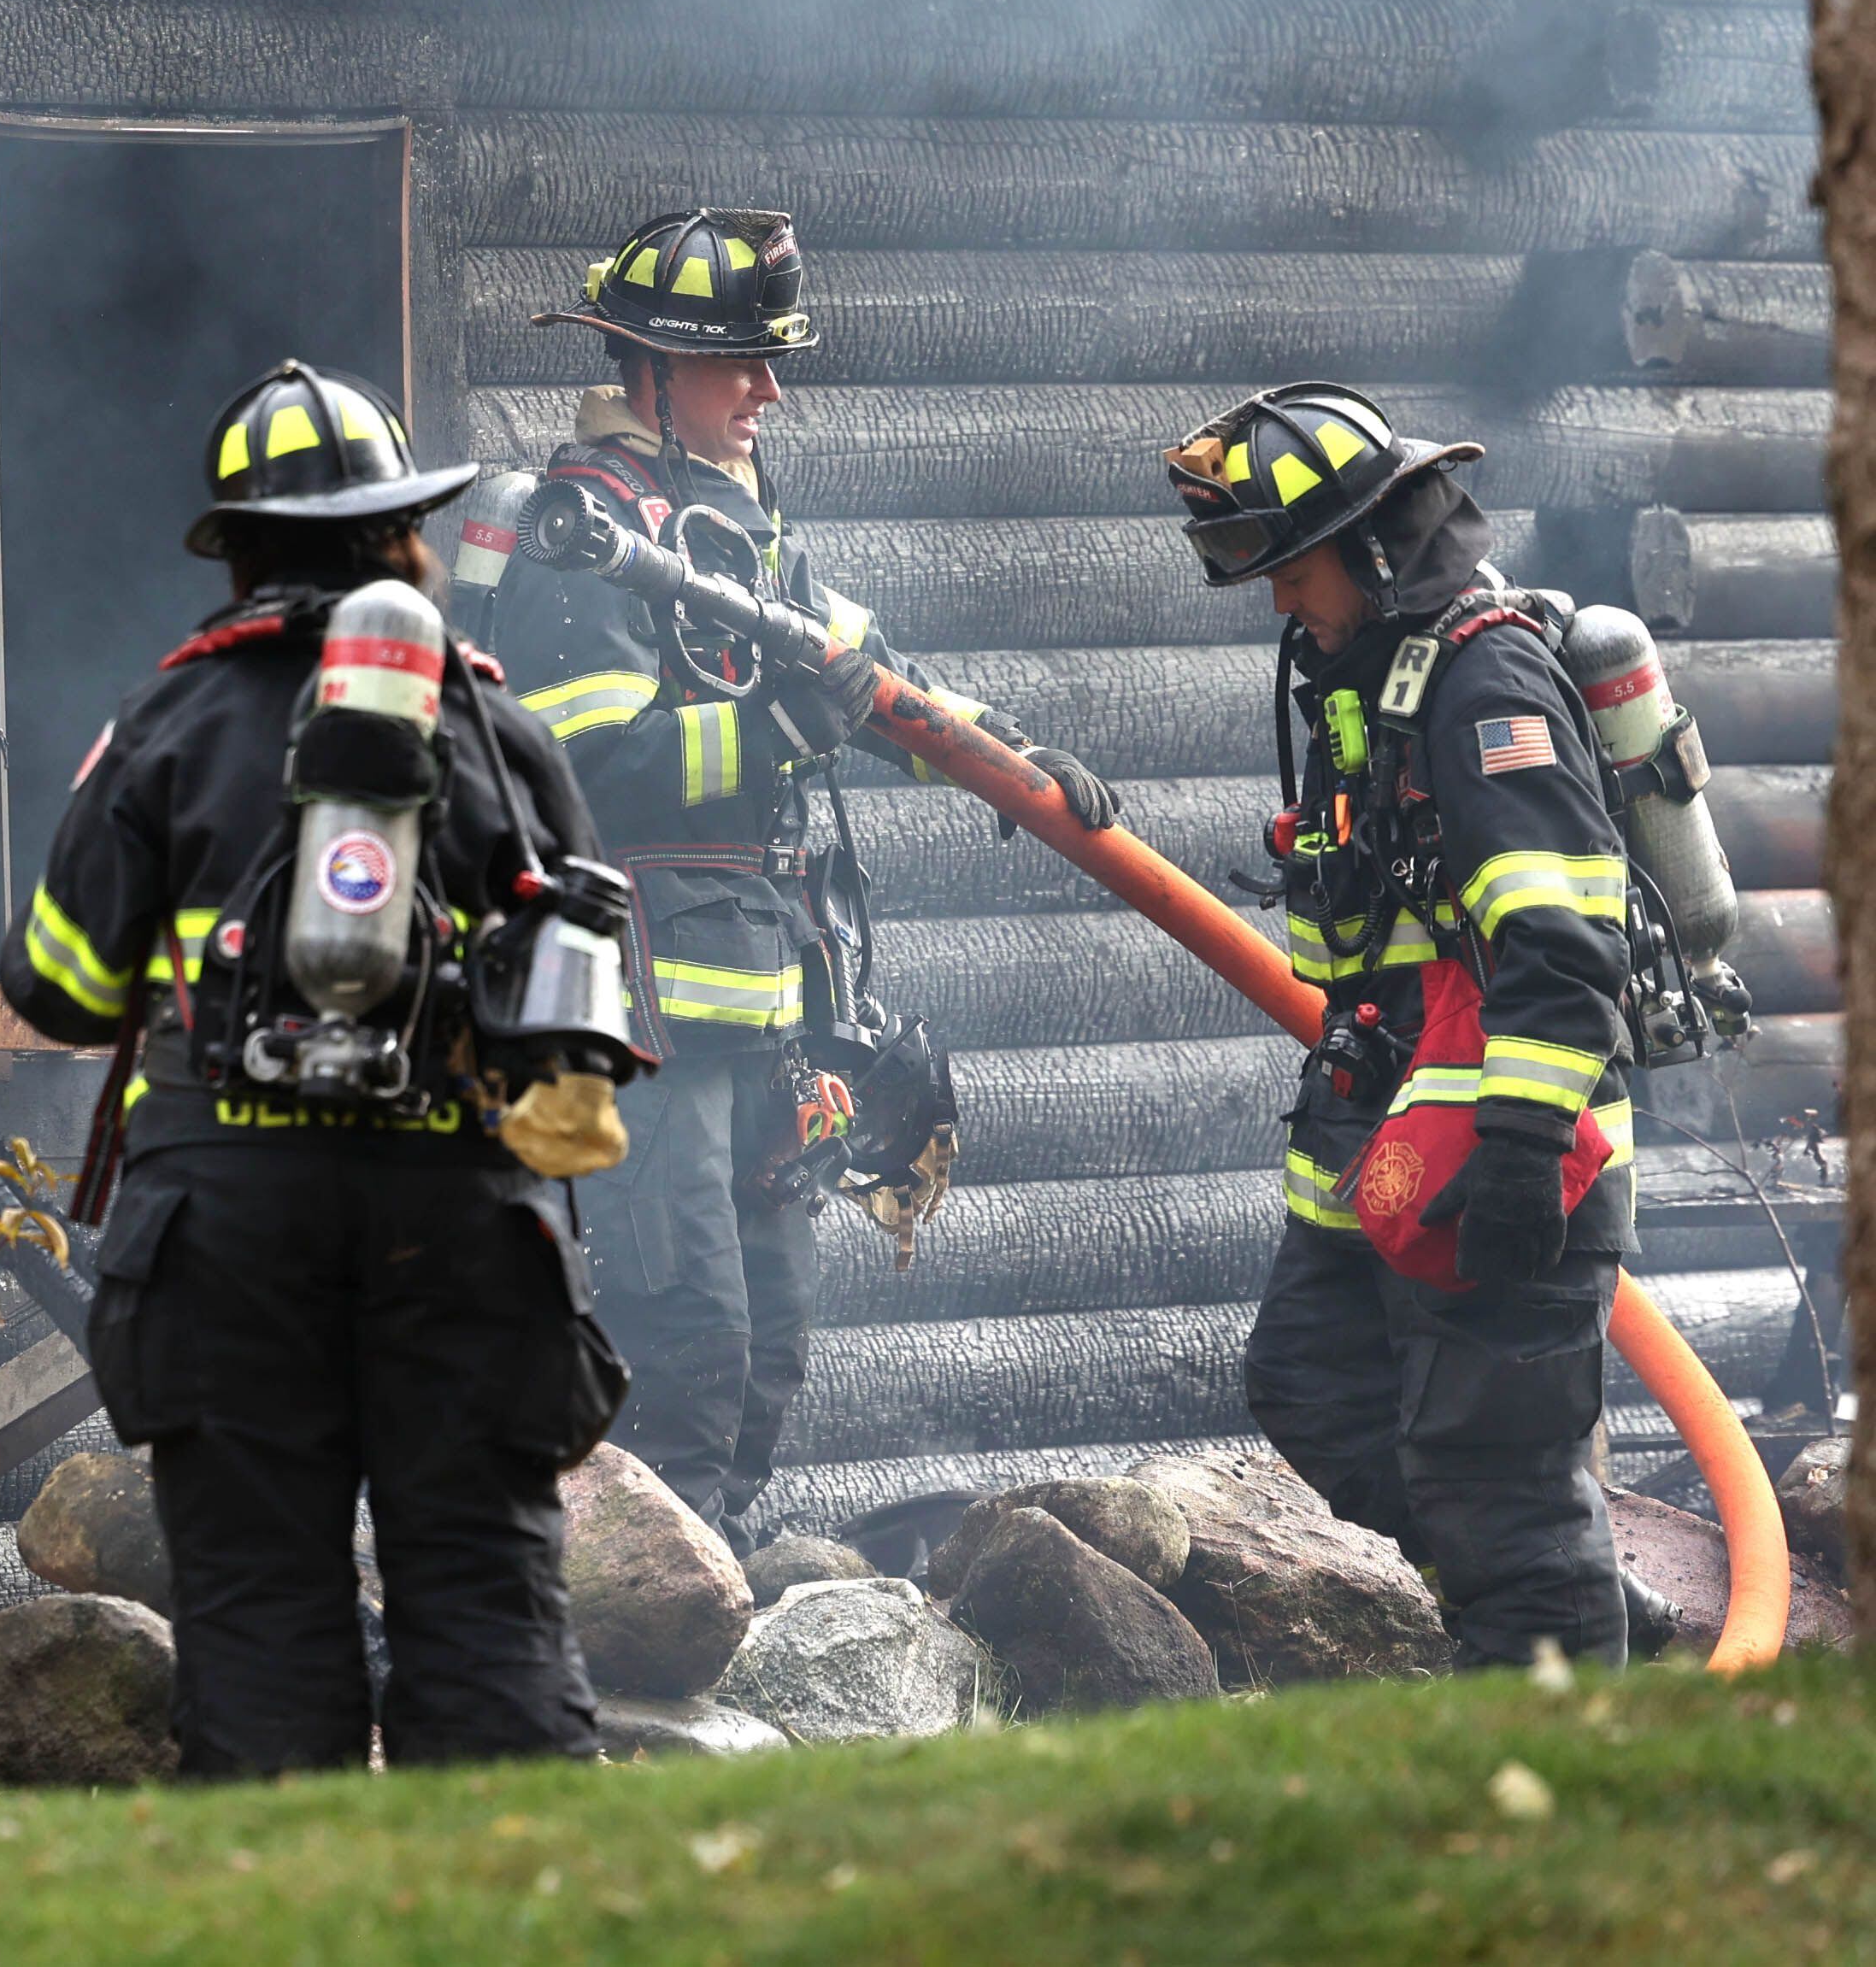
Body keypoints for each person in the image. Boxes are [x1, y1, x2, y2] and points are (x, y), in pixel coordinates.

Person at [0, 360, 615, 1775]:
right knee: (483, 1594)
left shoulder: (161, 724)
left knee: (264, 1606)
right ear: (402, 533)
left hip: (225, 1225)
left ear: (244, 548)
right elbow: (585, 996)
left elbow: (61, 987)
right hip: (460, 1213)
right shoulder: (495, 726)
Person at [487, 207, 1120, 1543]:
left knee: (770, 1346)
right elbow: (587, 766)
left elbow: (877, 690)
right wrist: (777, 729)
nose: (770, 391)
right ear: (649, 370)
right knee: (688, 1345)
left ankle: (705, 1623)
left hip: (763, 1009)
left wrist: (1011, 760)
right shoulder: (576, 537)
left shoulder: (743, 529)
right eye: (741, 366)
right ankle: (636, 1648)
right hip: (635, 1017)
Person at [1166, 382, 1638, 1667]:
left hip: (1504, 1153)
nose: (1276, 603)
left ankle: (1566, 1766)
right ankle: (1575, 1613)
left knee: (1504, 1498)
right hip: (1384, 1135)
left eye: (1292, 569)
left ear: (1372, 545)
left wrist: (1521, 1150)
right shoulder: (1364, 677)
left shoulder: (1485, 683)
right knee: (1311, 1382)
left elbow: (1562, 933)